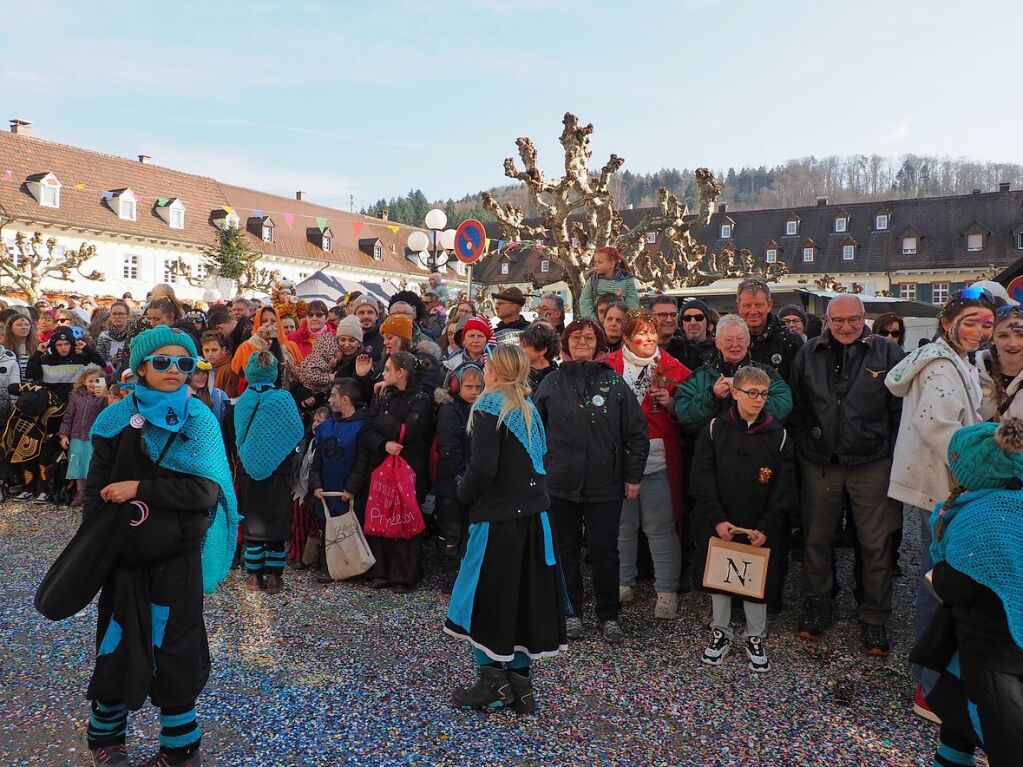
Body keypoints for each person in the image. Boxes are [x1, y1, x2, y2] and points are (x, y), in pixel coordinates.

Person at [80, 326, 238, 767]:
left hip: (176, 561)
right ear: (142, 366)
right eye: (163, 362)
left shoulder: (199, 419)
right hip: (124, 561)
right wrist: (98, 546)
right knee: (116, 645)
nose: (175, 371)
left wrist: (139, 489)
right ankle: (106, 740)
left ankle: (180, 751)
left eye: (185, 363)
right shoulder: (113, 419)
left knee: (176, 652)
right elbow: (97, 492)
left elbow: (206, 493)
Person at [886, 285, 997, 720]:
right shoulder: (939, 367)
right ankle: (929, 686)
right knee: (936, 583)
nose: (980, 331)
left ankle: (934, 679)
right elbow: (938, 427)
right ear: (948, 324)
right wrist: (980, 463)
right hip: (945, 486)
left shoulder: (958, 362)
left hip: (942, 486)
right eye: (971, 323)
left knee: (936, 579)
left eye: (986, 324)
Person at [444, 344, 566, 713]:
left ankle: (492, 684)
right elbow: (540, 465)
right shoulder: (527, 409)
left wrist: (460, 493)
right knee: (521, 600)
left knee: (485, 599)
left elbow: (484, 469)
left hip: (498, 522)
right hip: (533, 520)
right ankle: (521, 687)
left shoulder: (488, 407)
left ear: (496, 371)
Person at [788, 294, 905, 655]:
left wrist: (892, 453)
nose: (846, 327)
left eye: (853, 319)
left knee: (874, 543)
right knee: (816, 538)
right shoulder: (808, 353)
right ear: (827, 320)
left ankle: (873, 615)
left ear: (864, 317)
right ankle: (818, 601)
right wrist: (808, 440)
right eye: (838, 320)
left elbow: (900, 409)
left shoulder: (888, 353)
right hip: (820, 460)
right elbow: (798, 404)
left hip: (871, 461)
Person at [913, 418, 1023, 766]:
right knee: (956, 726)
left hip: (995, 652)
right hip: (991, 642)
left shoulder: (982, 520)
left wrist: (939, 560)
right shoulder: (1012, 499)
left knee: (1001, 738)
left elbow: (954, 586)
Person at [534, 319, 648, 644]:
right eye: (575, 337)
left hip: (605, 484)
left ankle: (609, 615)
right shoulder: (551, 383)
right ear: (565, 343)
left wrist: (632, 476)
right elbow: (534, 432)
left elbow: (637, 434)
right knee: (565, 550)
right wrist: (541, 470)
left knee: (604, 552)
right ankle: (571, 612)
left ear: (598, 344)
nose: (582, 342)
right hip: (559, 484)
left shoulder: (613, 384)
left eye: (588, 337)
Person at [690, 366, 798, 673]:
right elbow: (702, 478)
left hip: (759, 526)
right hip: (721, 523)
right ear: (735, 393)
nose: (758, 400)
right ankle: (720, 631)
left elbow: (783, 487)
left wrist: (766, 527)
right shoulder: (714, 429)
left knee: (757, 580)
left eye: (763, 394)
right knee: (720, 578)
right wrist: (716, 519)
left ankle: (755, 635)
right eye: (752, 393)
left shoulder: (778, 436)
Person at [607, 311, 690, 620]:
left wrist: (672, 405)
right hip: (618, 461)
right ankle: (623, 581)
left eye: (652, 333)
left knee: (660, 527)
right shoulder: (608, 366)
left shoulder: (672, 368)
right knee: (622, 526)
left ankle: (666, 590)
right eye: (641, 334)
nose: (649, 339)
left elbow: (692, 411)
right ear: (626, 338)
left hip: (657, 459)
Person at [348, 351, 434, 593]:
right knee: (382, 514)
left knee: (406, 517)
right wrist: (384, 443)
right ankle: (382, 571)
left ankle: (405, 574)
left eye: (388, 369)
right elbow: (367, 429)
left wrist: (381, 420)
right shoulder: (383, 394)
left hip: (409, 468)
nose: (383, 374)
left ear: (401, 372)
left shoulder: (422, 399)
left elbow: (409, 432)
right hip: (382, 466)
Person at [235, 351, 305, 594]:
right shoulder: (282, 398)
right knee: (277, 519)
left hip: (249, 469)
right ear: (274, 373)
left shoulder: (243, 400)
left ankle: (254, 576)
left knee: (252, 520)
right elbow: (296, 430)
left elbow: (238, 436)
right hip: (279, 469)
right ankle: (275, 576)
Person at [309, 379, 368, 583]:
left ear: (345, 399)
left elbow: (362, 462)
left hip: (349, 489)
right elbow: (317, 460)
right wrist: (316, 484)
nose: (329, 400)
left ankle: (355, 566)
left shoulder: (362, 426)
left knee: (352, 527)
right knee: (328, 528)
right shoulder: (326, 427)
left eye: (333, 396)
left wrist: (351, 488)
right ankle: (329, 565)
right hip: (327, 488)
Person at [433, 363, 484, 582]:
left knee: (471, 530)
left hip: (472, 481)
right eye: (469, 386)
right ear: (456, 386)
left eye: (478, 387)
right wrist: (461, 477)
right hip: (451, 482)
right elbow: (448, 448)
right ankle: (450, 573)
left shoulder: (483, 408)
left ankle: (467, 573)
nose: (474, 391)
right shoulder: (448, 410)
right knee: (451, 531)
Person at [736, 279, 804, 382]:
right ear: (738, 306)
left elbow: (801, 386)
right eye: (747, 306)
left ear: (769, 305)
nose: (753, 311)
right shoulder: (729, 341)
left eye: (759, 305)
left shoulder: (790, 341)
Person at [58, 365, 107, 507]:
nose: (93, 384)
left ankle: (92, 493)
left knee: (92, 464)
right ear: (84, 381)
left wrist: (105, 396)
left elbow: (108, 412)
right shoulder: (75, 396)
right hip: (77, 436)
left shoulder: (103, 398)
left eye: (97, 381)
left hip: (94, 437)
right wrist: (64, 434)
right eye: (90, 381)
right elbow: (68, 416)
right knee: (78, 464)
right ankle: (80, 492)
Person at [231, 307, 303, 391]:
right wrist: (258, 340)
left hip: (289, 394)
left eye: (273, 321)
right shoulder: (247, 345)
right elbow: (240, 369)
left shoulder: (291, 346)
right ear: (258, 323)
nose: (269, 324)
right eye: (264, 321)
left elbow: (302, 371)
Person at [979, 306, 1023, 421]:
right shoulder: (972, 372)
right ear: (992, 337)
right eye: (1003, 335)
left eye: (1020, 335)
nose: (1013, 343)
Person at [578, 246, 639, 319]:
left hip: (619, 321)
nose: (596, 265)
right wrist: (592, 321)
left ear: (612, 264)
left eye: (600, 262)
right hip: (598, 321)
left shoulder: (626, 279)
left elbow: (632, 300)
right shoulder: (593, 280)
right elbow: (585, 301)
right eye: (595, 262)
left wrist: (629, 318)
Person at [519, 323, 560, 391]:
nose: (519, 350)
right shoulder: (518, 377)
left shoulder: (560, 377)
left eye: (524, 346)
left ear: (542, 350)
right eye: (519, 346)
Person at [678, 299, 717, 371]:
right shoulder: (675, 349)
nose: (693, 322)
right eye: (687, 318)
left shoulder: (719, 348)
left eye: (699, 317)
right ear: (682, 324)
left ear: (707, 323)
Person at [186, 362, 229, 426]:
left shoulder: (220, 395)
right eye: (196, 373)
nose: (202, 376)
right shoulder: (179, 396)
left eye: (204, 372)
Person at [200, 331, 241, 398]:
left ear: (223, 350)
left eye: (214, 350)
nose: (210, 354)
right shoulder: (201, 367)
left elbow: (230, 397)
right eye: (206, 350)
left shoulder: (229, 369)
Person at [97, 301, 132, 370]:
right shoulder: (103, 336)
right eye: (114, 314)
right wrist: (112, 362)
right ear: (110, 316)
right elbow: (100, 360)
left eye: (121, 314)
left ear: (127, 316)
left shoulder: (134, 335)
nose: (117, 317)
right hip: (110, 375)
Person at [349, 295, 384, 361]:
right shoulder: (346, 335)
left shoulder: (384, 338)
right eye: (361, 313)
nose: (366, 316)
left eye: (370, 312)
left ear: (377, 316)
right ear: (354, 315)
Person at [3, 312, 37, 379]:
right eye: (19, 325)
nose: (24, 327)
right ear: (10, 329)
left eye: (27, 325)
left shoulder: (38, 347)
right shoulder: (3, 349)